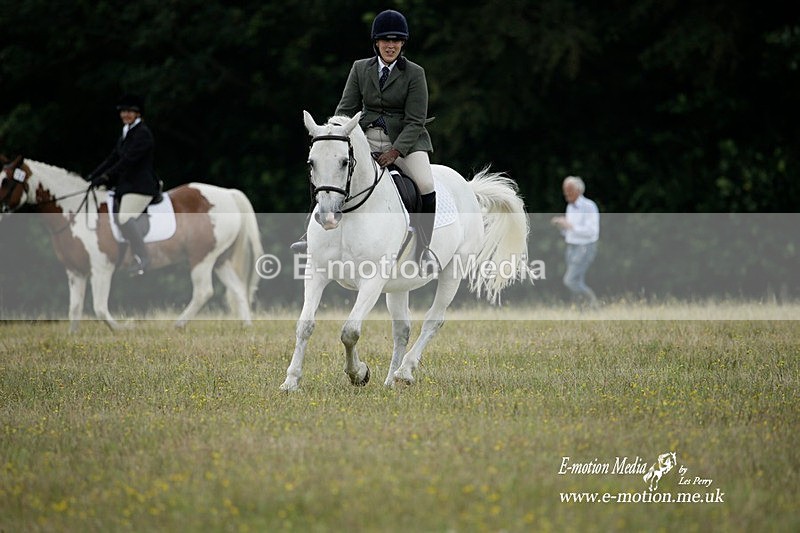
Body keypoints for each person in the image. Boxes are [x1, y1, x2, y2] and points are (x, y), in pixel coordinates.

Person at [292, 9, 439, 275]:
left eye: (396, 41)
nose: (390, 45)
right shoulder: (360, 68)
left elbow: (416, 120)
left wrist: (396, 151)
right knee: (329, 170)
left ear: (402, 43)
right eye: (385, 40)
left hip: (405, 140)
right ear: (377, 43)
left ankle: (424, 249)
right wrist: (335, 135)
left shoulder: (415, 73)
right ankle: (309, 235)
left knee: (426, 184)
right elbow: (345, 109)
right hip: (366, 138)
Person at [87, 94, 161, 276]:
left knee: (124, 217)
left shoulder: (143, 134)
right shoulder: (126, 131)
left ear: (138, 113)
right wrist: (92, 176)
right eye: (123, 111)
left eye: (130, 111)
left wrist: (106, 177)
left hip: (141, 187)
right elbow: (113, 157)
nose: (126, 114)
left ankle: (143, 258)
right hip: (126, 186)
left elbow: (127, 161)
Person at [551, 176, 600, 308]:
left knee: (570, 280)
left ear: (578, 190)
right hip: (571, 247)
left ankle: (593, 303)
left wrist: (569, 226)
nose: (566, 194)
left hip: (585, 247)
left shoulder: (589, 206)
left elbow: (592, 231)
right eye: (565, 190)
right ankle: (581, 309)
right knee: (577, 280)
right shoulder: (570, 207)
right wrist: (561, 226)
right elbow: (570, 231)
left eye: (569, 190)